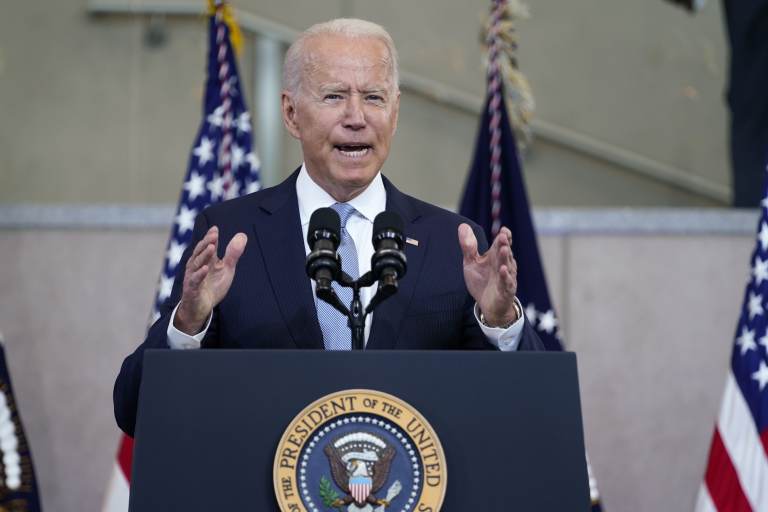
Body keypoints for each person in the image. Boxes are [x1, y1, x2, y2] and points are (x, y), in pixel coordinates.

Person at [114, 18, 544, 436]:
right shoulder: (230, 235)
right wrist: (189, 323)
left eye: (374, 98)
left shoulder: (453, 243)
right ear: (290, 113)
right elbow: (134, 411)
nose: (356, 117)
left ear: (395, 114)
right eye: (334, 96)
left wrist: (501, 321)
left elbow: (529, 408)